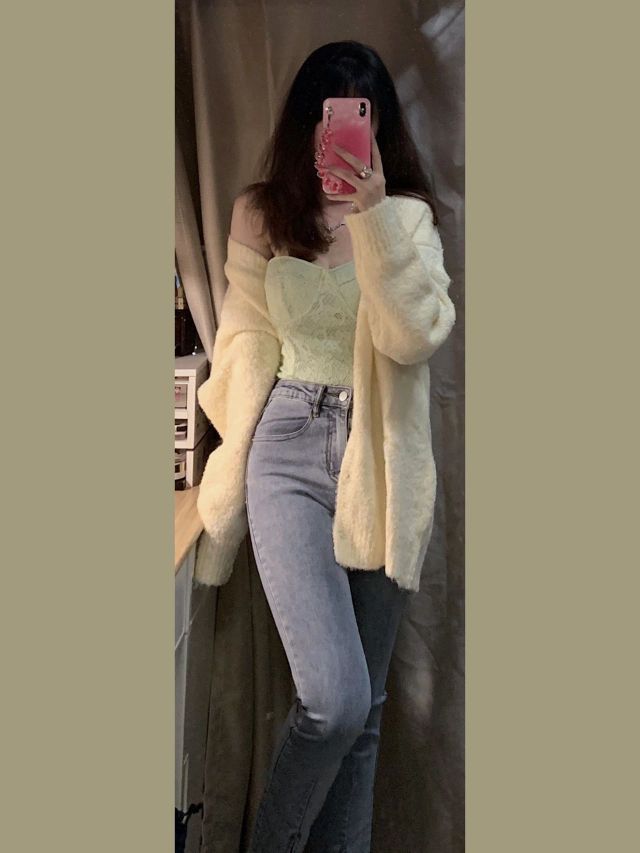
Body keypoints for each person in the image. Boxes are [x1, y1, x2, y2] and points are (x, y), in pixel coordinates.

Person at [196, 40, 456, 853]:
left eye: (355, 114)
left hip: (379, 455)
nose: (337, 131)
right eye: (326, 112)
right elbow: (246, 338)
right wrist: (227, 462)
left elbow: (414, 337)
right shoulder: (260, 212)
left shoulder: (406, 218)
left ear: (377, 127)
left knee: (366, 709)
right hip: (287, 444)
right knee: (334, 699)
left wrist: (374, 219)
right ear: (307, 121)